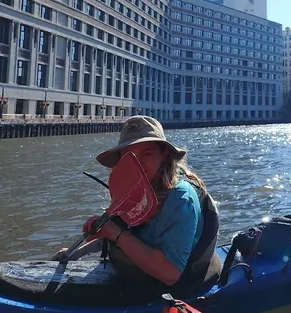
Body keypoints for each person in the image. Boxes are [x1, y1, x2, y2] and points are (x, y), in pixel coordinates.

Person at [52, 116, 219, 287]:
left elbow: (170, 273)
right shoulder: (133, 191)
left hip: (172, 287)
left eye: (147, 154)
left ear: (164, 155)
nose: (138, 163)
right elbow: (125, 234)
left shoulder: (181, 198)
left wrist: (114, 233)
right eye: (130, 156)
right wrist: (76, 252)